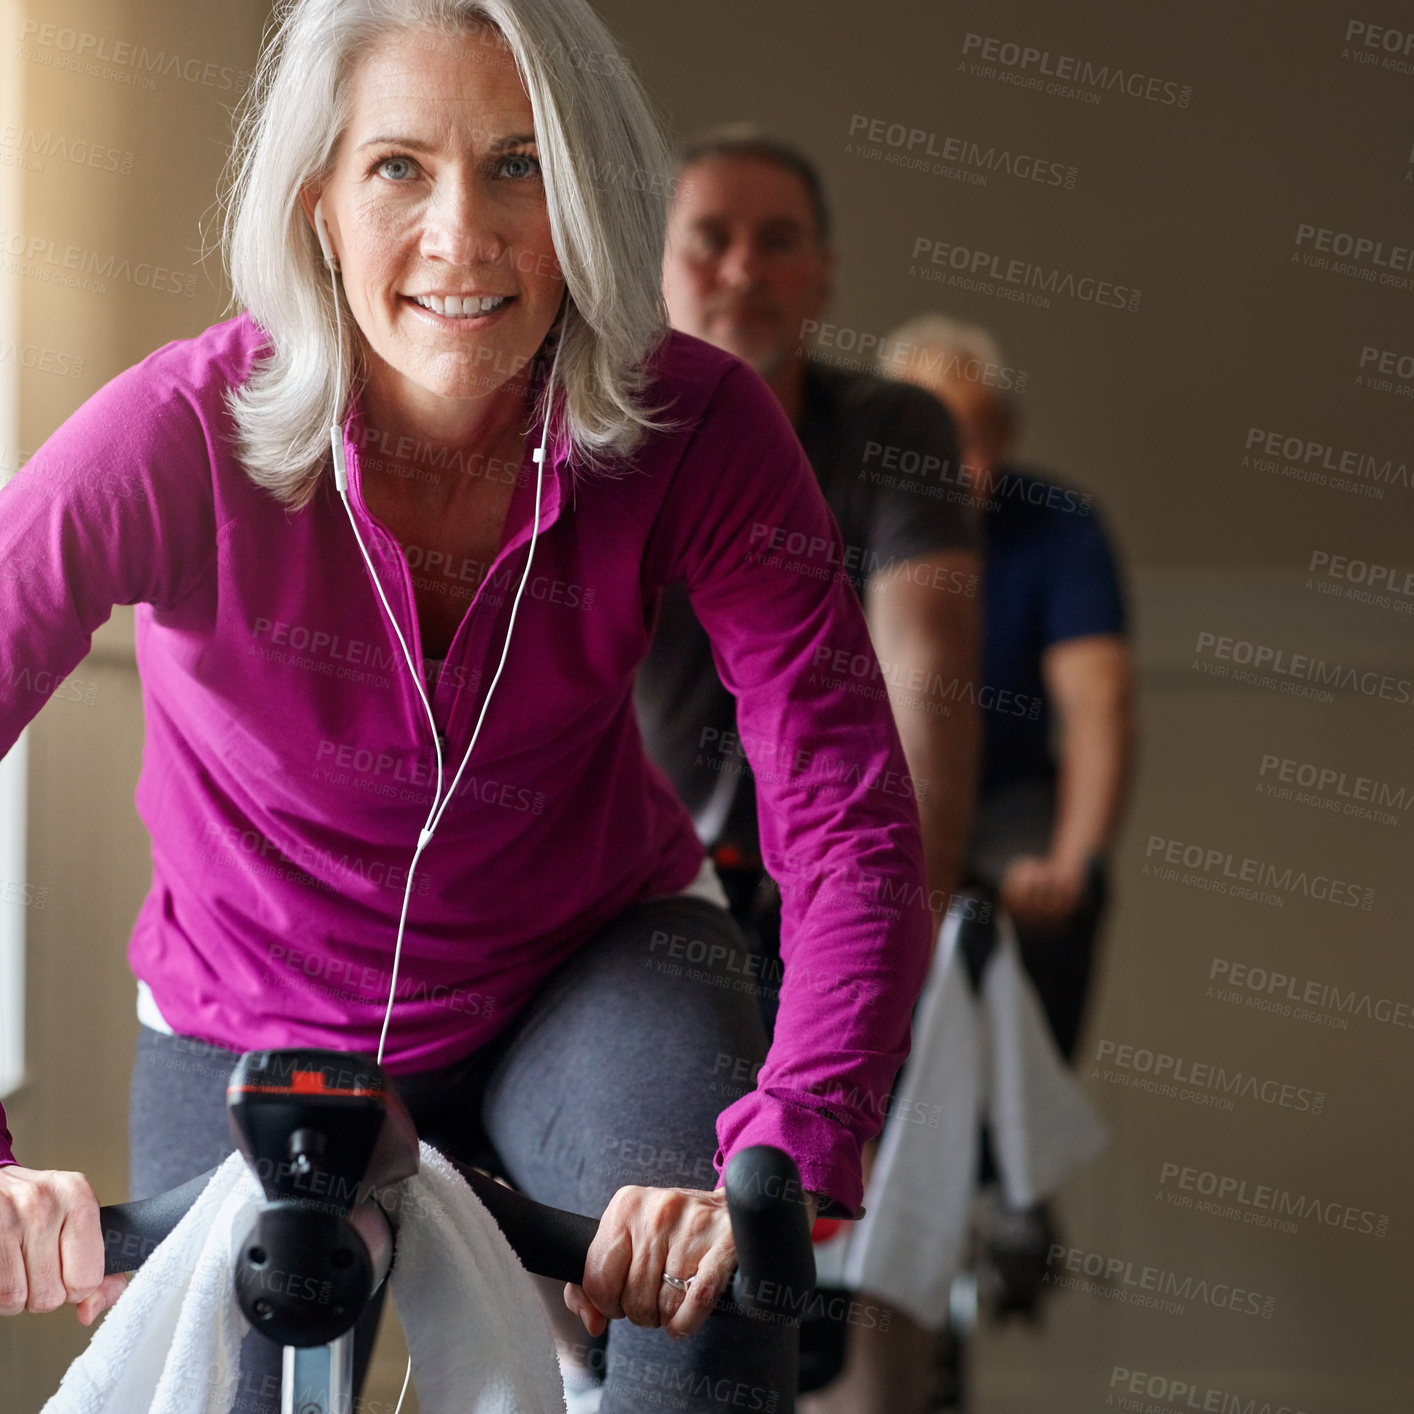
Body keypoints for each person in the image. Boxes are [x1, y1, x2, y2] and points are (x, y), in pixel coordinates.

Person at [0, 5, 937, 1412]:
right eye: (397, 168)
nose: (463, 237)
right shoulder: (174, 435)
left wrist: (795, 1141)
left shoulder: (700, 425)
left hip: (583, 961)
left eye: (518, 166)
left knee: (706, 1315)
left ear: (588, 197)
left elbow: (845, 806)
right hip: (247, 1005)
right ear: (315, 196)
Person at [633, 131, 982, 1414]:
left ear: (824, 274)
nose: (744, 267)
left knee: (879, 1239)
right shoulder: (606, 426)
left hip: (855, 866)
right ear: (655, 268)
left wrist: (898, 941)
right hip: (650, 893)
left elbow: (927, 675)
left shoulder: (892, 428)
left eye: (777, 239)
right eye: (710, 237)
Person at [882, 314, 1134, 1063]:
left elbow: (1101, 705)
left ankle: (1015, 1164)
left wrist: (1071, 863)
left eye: (982, 437)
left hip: (1007, 803)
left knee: (1048, 925)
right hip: (872, 791)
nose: (968, 469)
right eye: (937, 442)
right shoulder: (840, 515)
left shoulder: (1061, 526)